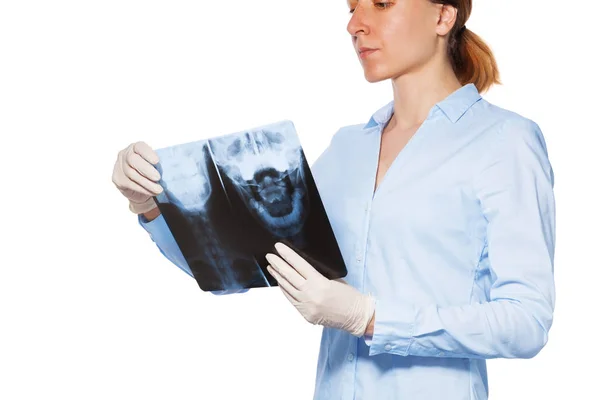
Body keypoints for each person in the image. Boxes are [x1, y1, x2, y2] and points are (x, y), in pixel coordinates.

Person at [111, 0, 556, 398]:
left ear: (443, 16)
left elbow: (526, 323)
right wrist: (149, 204)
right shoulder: (348, 149)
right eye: (351, 8)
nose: (356, 25)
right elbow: (228, 264)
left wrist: (370, 317)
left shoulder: (504, 142)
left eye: (381, 4)